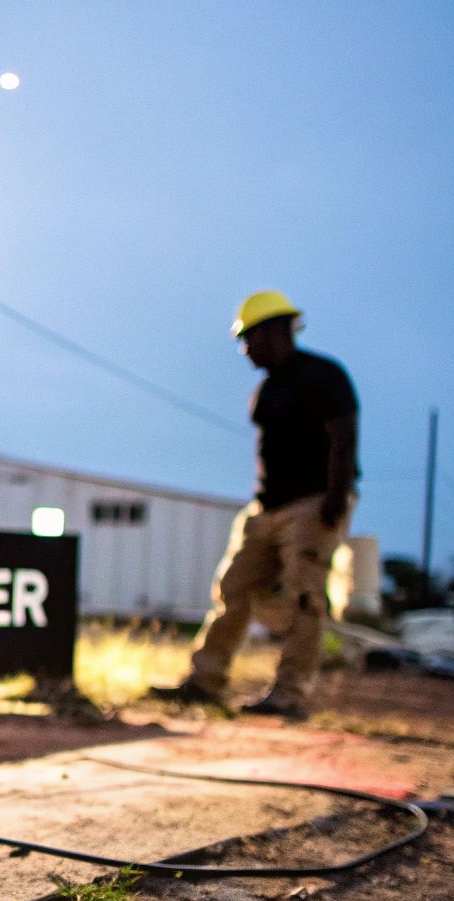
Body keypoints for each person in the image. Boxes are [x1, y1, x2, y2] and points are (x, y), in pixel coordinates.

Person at [166, 290, 359, 714]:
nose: (244, 350)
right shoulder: (266, 391)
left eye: (247, 339)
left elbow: (344, 440)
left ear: (273, 332)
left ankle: (290, 694)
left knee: (305, 597)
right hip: (266, 508)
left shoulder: (324, 376)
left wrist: (335, 500)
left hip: (313, 503)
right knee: (233, 588)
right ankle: (206, 681)